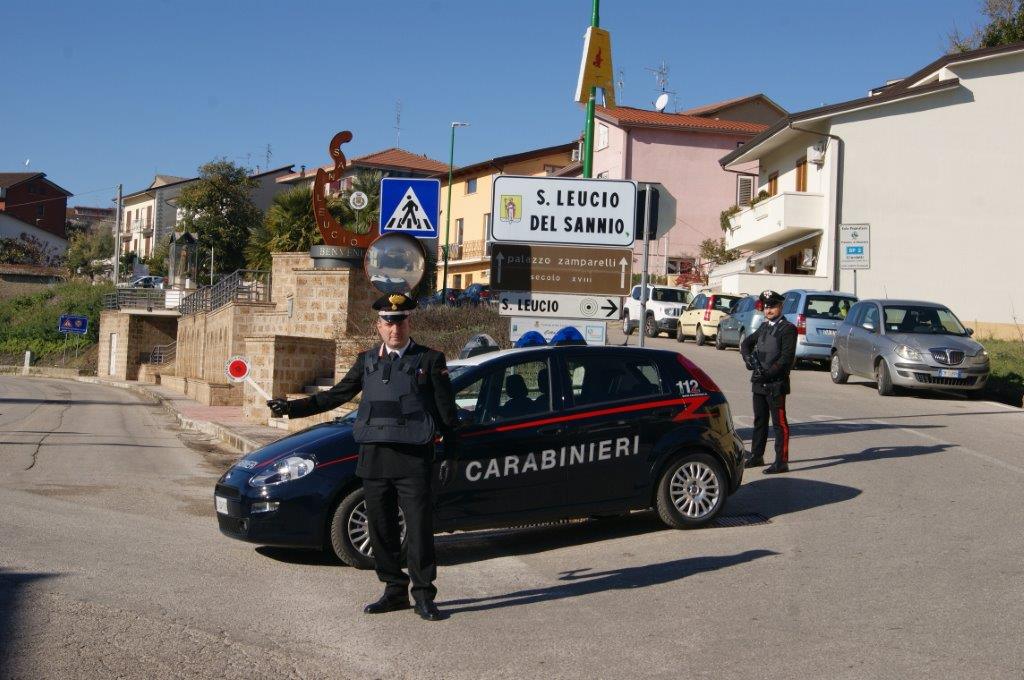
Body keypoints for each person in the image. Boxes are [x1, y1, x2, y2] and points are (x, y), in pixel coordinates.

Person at [266, 293, 458, 621]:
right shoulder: (366, 361)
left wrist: (451, 456)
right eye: (388, 322)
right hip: (374, 457)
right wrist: (293, 408)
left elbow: (447, 414)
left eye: (400, 321)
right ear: (378, 326)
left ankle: (424, 595)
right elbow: (335, 396)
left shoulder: (429, 361)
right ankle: (393, 589)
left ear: (409, 322)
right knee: (380, 528)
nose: (394, 328)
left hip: (414, 459)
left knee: (418, 529)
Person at [740, 290, 797, 474]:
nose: (769, 310)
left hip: (775, 384)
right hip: (759, 382)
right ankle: (757, 456)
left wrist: (767, 374)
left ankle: (781, 462)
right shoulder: (764, 327)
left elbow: (786, 359)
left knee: (779, 424)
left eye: (772, 306)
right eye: (766, 307)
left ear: (780, 306)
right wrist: (748, 359)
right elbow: (745, 344)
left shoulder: (788, 329)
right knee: (759, 421)